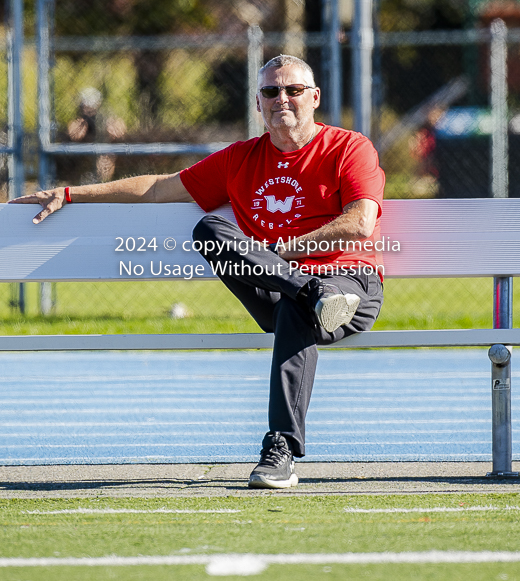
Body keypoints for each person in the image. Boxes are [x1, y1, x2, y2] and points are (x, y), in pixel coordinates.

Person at [10, 55, 385, 490]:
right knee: (209, 228)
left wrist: (282, 252)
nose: (282, 99)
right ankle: (310, 293)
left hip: (351, 286)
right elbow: (156, 188)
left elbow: (360, 223)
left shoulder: (349, 148)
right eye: (270, 91)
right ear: (258, 103)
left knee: (295, 313)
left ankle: (279, 448)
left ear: (314, 97)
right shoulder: (239, 159)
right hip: (294, 289)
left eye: (293, 90)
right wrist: (72, 193)